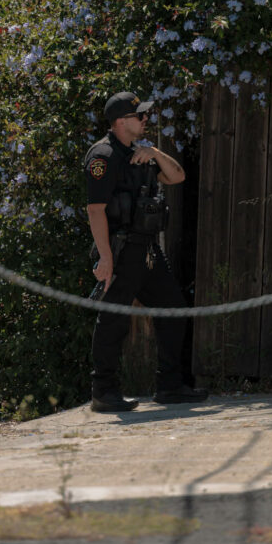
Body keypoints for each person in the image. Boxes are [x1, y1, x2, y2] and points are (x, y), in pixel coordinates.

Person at [82, 91, 208, 413]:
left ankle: (169, 386)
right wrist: (106, 257)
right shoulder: (104, 155)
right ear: (122, 121)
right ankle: (103, 391)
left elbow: (177, 176)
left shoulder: (142, 152)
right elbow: (95, 210)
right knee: (114, 318)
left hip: (148, 249)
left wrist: (153, 152)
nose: (145, 119)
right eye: (140, 116)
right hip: (122, 250)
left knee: (173, 308)